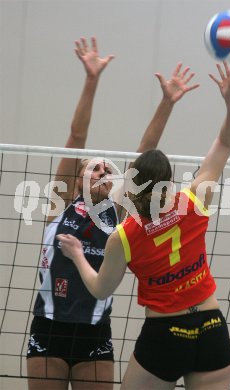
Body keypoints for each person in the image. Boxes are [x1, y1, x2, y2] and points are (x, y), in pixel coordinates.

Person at [57, 61, 230, 390]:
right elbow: (224, 143)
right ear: (169, 181)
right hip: (210, 327)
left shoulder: (125, 234)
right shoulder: (194, 200)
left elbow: (101, 289)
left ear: (134, 186)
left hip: (165, 333)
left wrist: (78, 255)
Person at [26, 36, 199, 390]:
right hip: (48, 328)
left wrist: (167, 102)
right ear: (77, 180)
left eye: (108, 170)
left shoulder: (117, 212)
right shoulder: (60, 204)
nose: (105, 173)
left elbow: (145, 154)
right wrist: (91, 80)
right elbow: (76, 137)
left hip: (94, 334)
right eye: (96, 170)